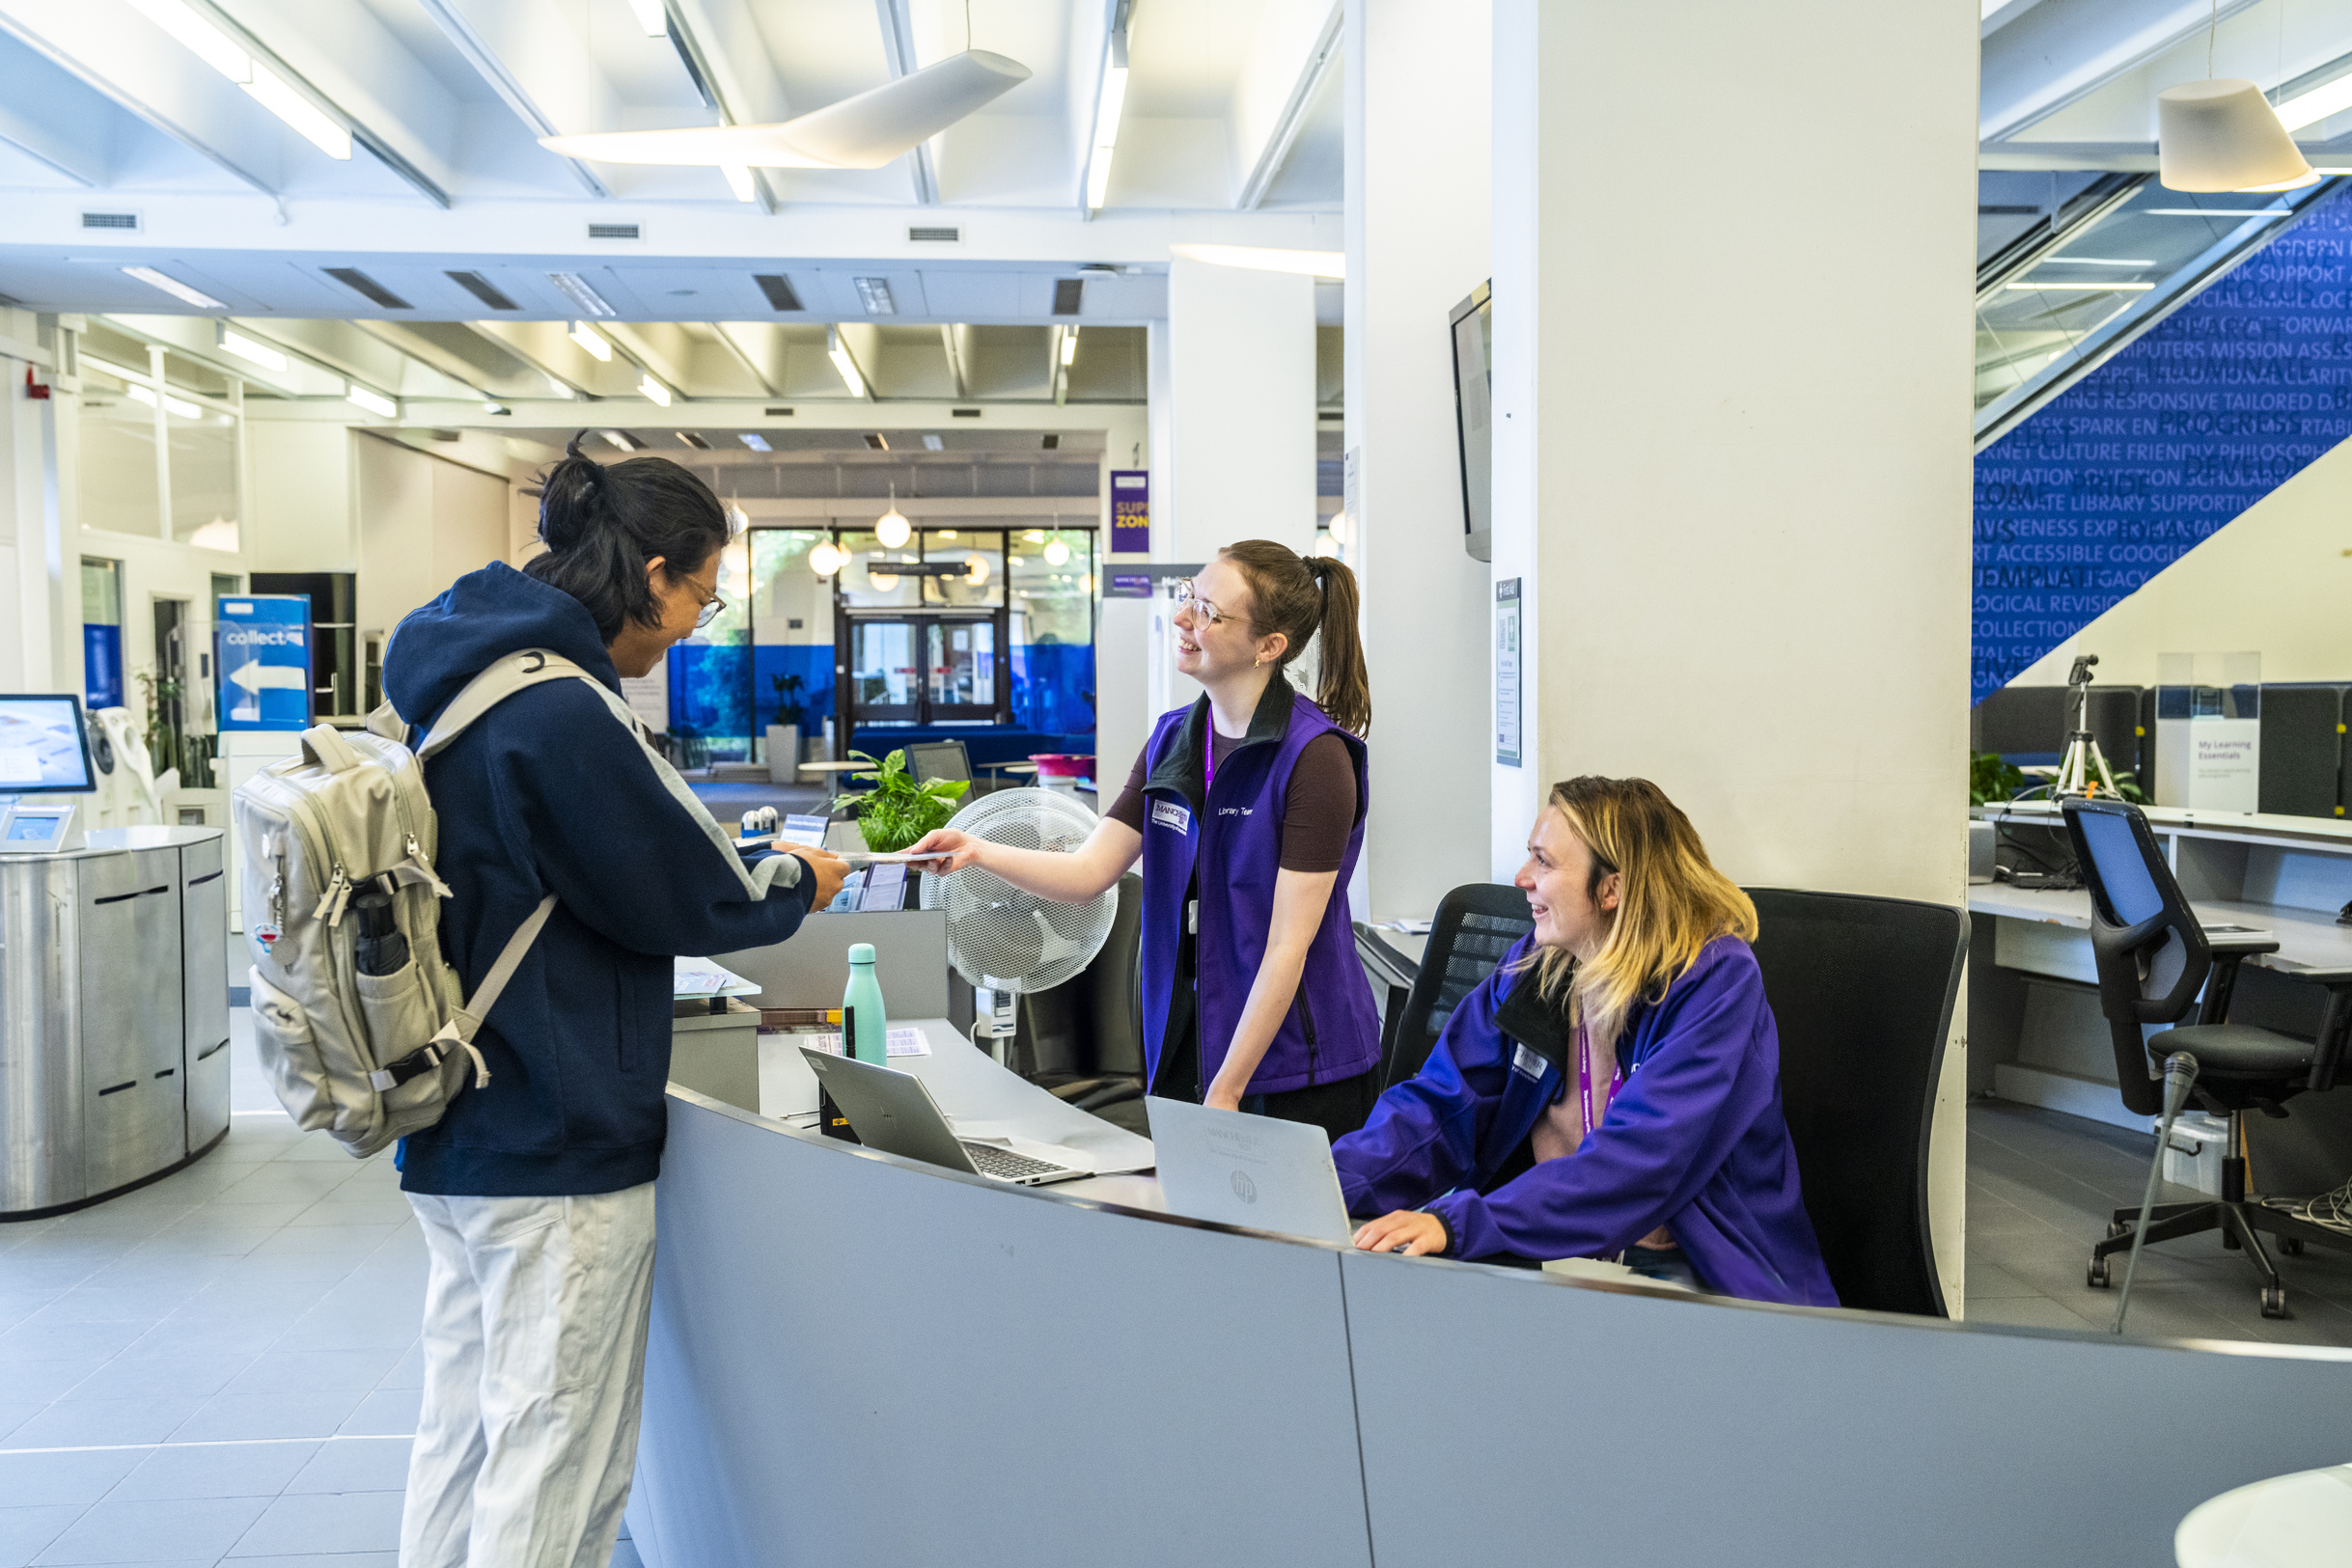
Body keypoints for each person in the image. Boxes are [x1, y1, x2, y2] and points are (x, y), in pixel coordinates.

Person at [386, 437, 847, 1568]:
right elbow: (687, 892)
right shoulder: (561, 709)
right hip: (556, 1143)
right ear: (650, 573)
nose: (697, 618)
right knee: (557, 1460)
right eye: (700, 590)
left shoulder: (457, 683)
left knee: (463, 1436)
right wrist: (796, 879)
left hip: (455, 1125)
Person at [911, 540, 1382, 1140]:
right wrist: (976, 850)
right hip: (1190, 1041)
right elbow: (1088, 873)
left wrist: (1226, 1091)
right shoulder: (1175, 739)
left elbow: (1287, 949)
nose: (1184, 618)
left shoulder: (1316, 760)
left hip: (1297, 1069)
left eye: (1210, 611)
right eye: (1189, 596)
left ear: (1270, 647)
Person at [1337, 776, 1838, 1307]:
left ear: (1611, 889)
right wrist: (1328, 1182)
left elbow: (1636, 1164)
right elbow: (1440, 1107)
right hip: (1560, 1254)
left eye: (1543, 862)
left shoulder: (1714, 980)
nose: (1522, 877)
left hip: (1701, 1278)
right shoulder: (1539, 965)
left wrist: (1463, 1223)